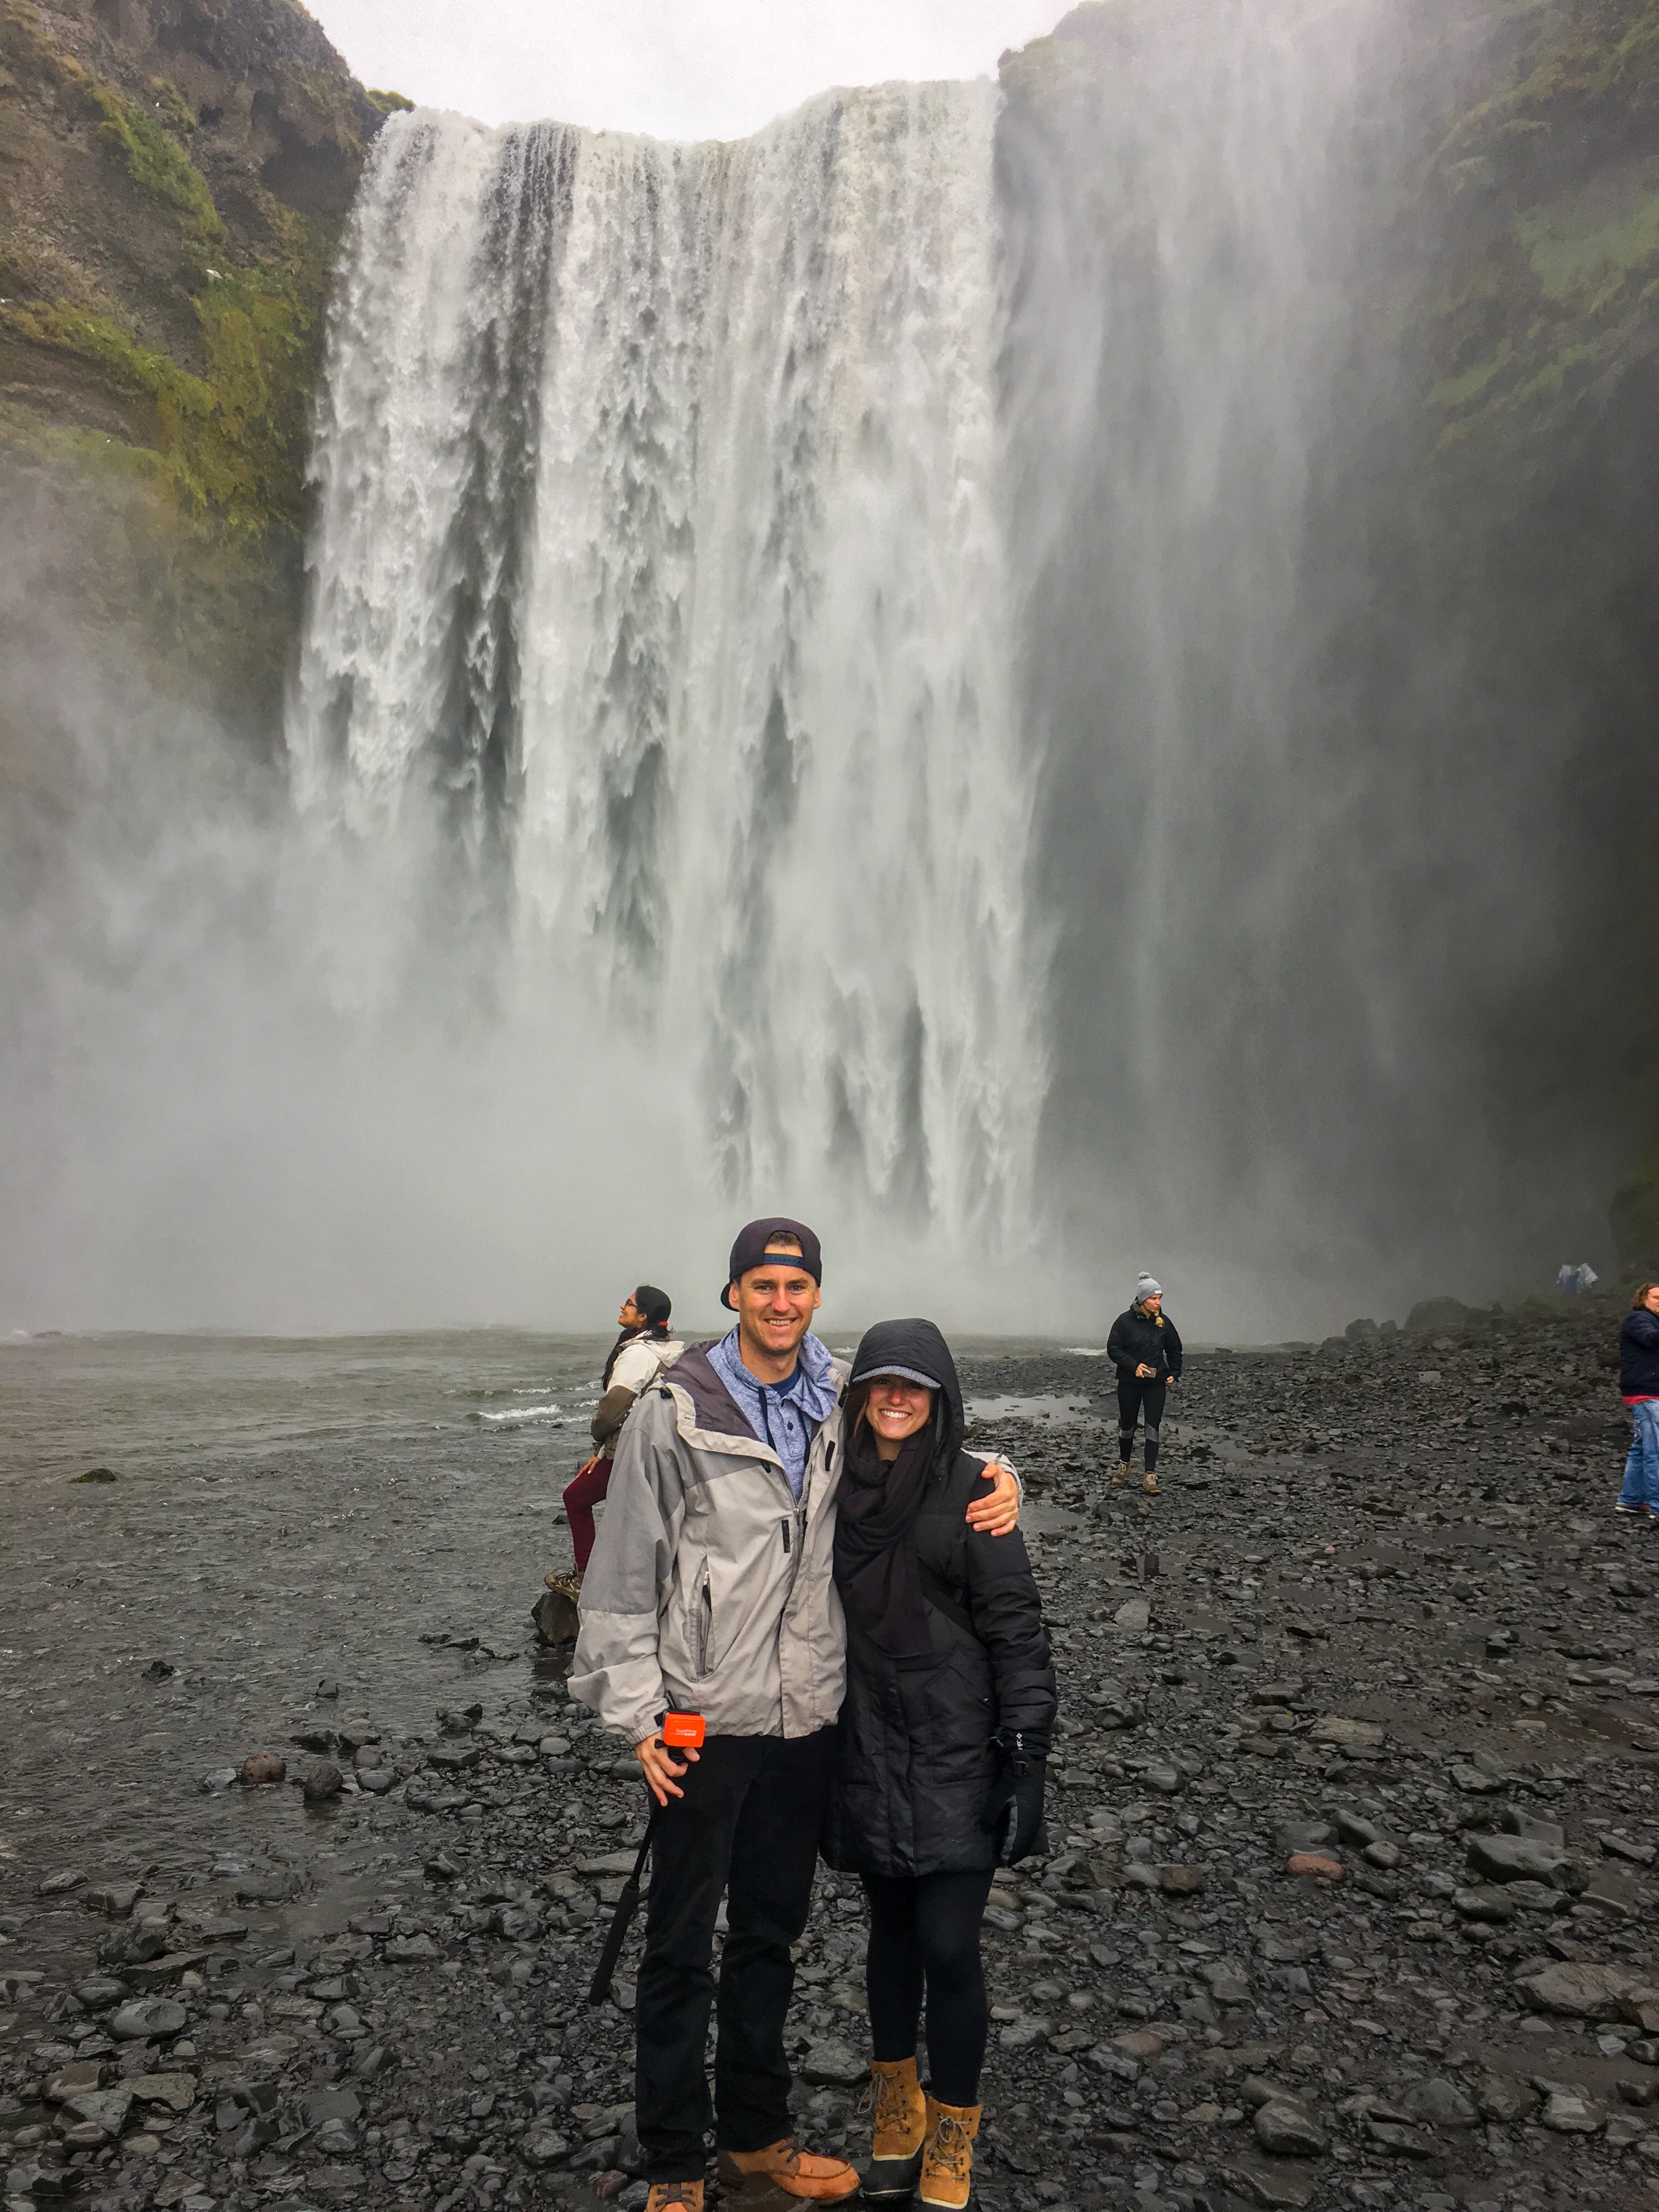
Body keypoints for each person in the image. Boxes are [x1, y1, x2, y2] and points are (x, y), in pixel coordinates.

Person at [568, 1221, 1023, 2212]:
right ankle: (675, 2165)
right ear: (731, 1294)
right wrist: (641, 1717)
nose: (781, 1300)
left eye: (797, 1284)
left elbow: (926, 1434)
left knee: (769, 1937)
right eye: (762, 1284)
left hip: (805, 1719)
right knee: (681, 1945)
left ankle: (755, 2140)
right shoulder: (673, 1408)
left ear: (816, 1295)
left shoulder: (841, 1399)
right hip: (701, 1717)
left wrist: (1002, 1475)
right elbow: (621, 1568)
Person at [822, 1320, 1054, 2212]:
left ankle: (951, 2133)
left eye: (912, 1385)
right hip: (864, 1749)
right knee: (887, 1940)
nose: (894, 1397)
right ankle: (895, 2114)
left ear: (939, 1397)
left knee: (949, 1945)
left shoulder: (974, 1493)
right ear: (857, 1393)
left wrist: (1025, 1765)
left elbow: (1019, 1639)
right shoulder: (829, 1484)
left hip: (959, 1753)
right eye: (879, 1382)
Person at [546, 1285, 682, 1601]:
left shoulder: (637, 1354)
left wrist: (600, 1439)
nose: (623, 1306)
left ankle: (586, 1580)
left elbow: (614, 1410)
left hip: (632, 1449)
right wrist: (600, 1452)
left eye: (630, 1304)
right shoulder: (666, 1351)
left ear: (644, 1316)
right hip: (658, 1448)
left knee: (576, 1498)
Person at [1106, 1272, 1182, 1496]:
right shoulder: (1124, 1322)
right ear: (1142, 1300)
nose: (1158, 1303)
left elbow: (1175, 1348)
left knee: (1152, 1426)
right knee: (1128, 1426)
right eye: (1154, 1298)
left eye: (1160, 1298)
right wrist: (1133, 1365)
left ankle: (1150, 1475)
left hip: (1155, 1384)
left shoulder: (1163, 1323)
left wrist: (1175, 1372)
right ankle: (1124, 1465)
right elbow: (1114, 1349)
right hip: (1129, 1383)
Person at [1617, 1280, 1659, 1520]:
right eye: (1657, 1298)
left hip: (1649, 1392)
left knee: (1643, 1449)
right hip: (1647, 1393)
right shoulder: (1638, 1320)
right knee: (1656, 1451)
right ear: (1643, 1300)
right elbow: (1652, 1339)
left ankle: (1631, 1500)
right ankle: (1657, 1505)